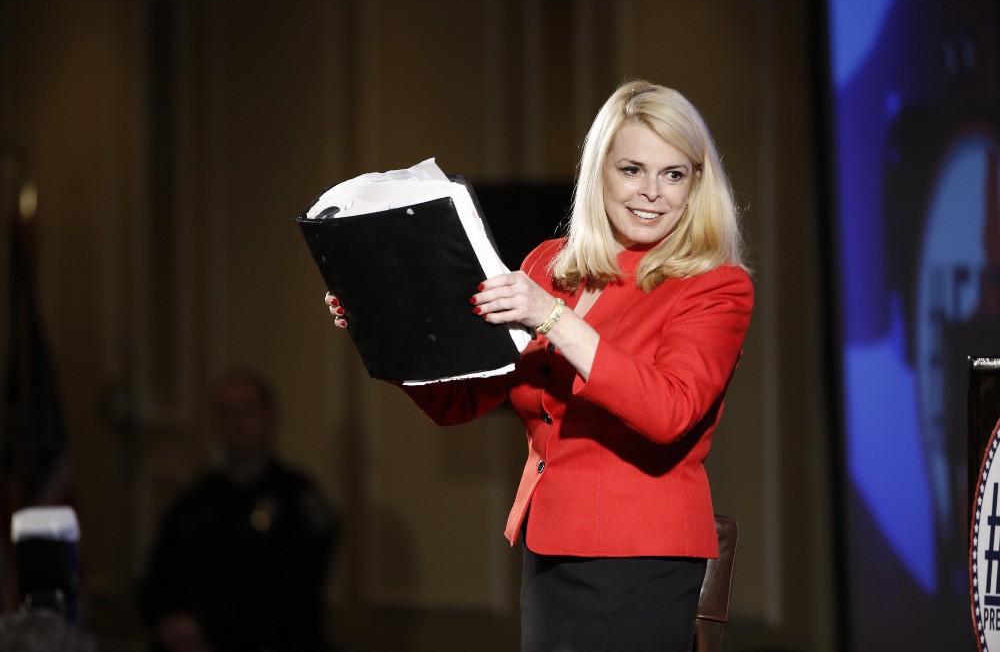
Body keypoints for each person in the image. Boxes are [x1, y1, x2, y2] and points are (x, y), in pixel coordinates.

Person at [324, 79, 753, 651]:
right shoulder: (551, 267)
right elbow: (462, 402)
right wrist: (381, 323)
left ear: (697, 186)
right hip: (549, 549)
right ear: (599, 172)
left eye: (673, 174)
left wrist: (554, 319)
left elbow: (670, 411)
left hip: (641, 557)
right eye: (632, 170)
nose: (652, 192)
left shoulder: (714, 285)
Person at [138, 368, 341, 652]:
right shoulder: (197, 500)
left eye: (248, 409)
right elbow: (157, 575)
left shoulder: (298, 498)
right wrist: (168, 622)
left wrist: (208, 626)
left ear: (271, 416)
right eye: (226, 412)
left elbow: (293, 592)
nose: (238, 422)